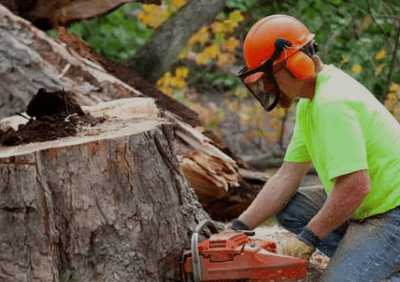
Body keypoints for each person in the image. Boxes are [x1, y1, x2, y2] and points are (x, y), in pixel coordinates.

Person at [229, 14, 400, 281]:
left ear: (293, 65)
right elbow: (286, 176)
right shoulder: (310, 101)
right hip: (368, 205)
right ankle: (362, 262)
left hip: (392, 213)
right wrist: (238, 228)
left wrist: (309, 237)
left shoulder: (332, 103)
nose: (265, 86)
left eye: (267, 77)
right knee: (292, 209)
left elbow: (356, 185)